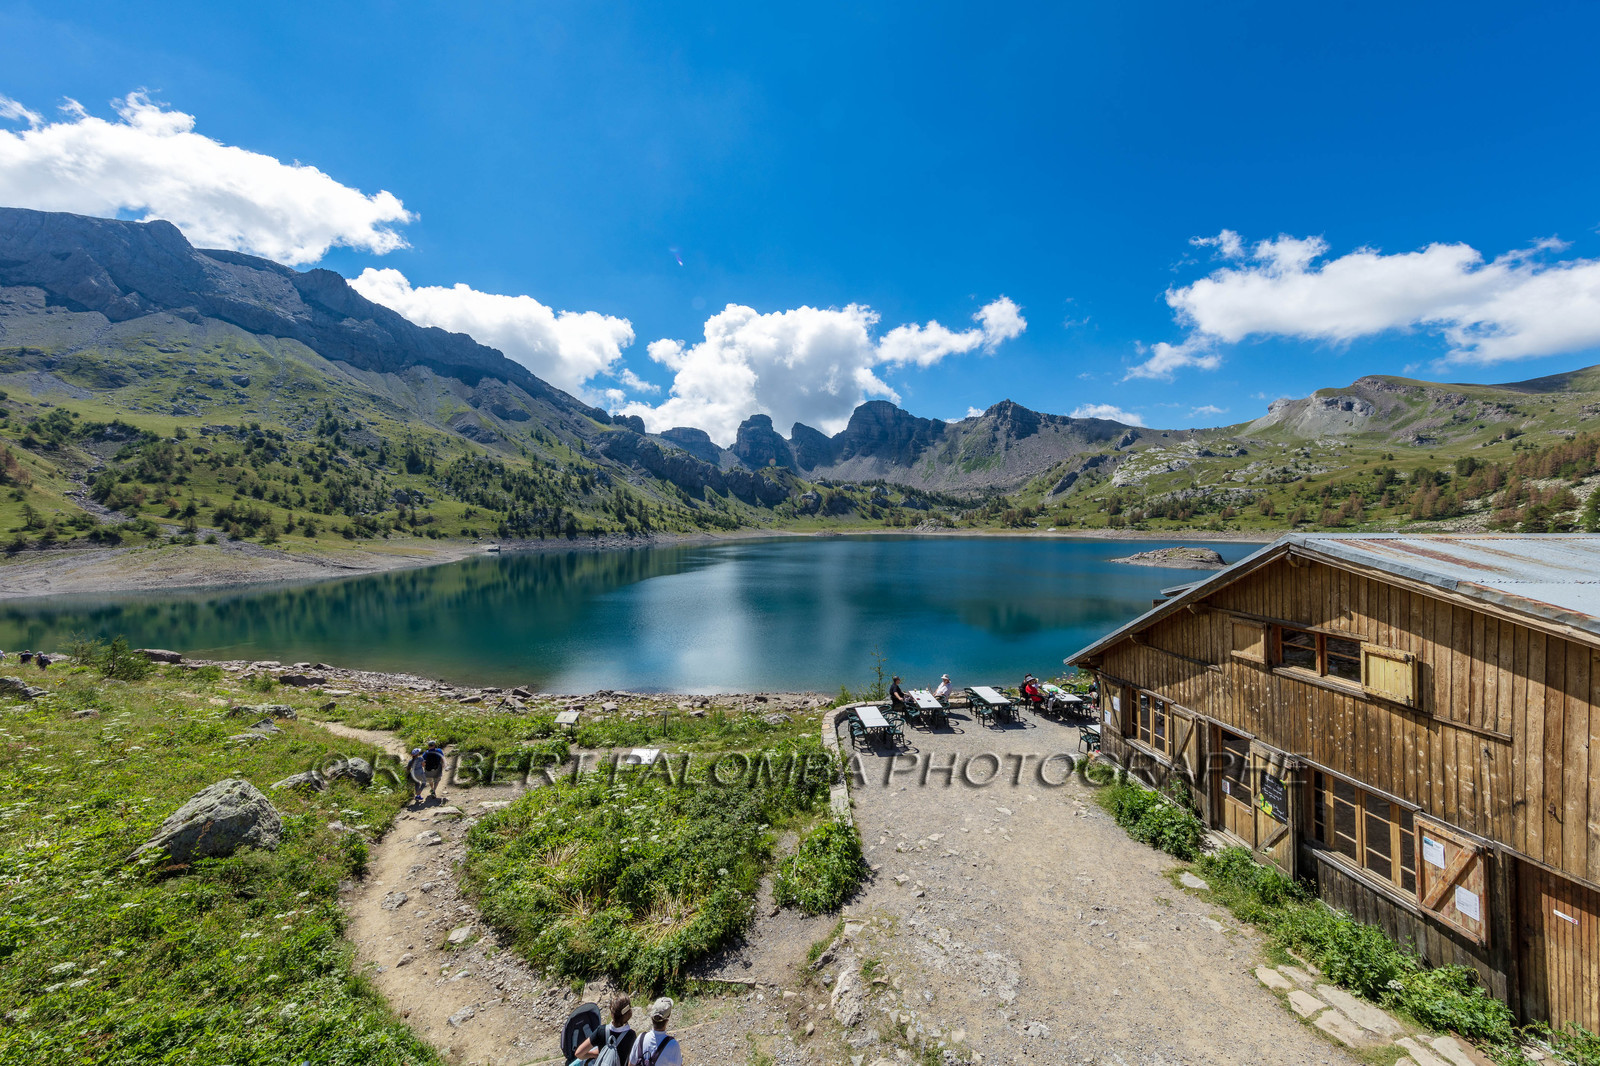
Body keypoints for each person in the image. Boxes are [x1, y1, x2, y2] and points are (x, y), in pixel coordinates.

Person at [572, 995, 635, 1065]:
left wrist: (595, 1054)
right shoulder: (631, 1036)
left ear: (612, 1014)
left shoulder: (601, 1031)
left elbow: (579, 1053)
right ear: (629, 1014)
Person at [629, 997, 679, 1066]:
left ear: (652, 1017)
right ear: (668, 1017)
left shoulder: (640, 1038)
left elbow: (631, 1064)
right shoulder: (672, 1045)